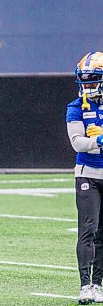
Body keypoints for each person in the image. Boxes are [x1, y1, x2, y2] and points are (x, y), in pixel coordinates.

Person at [66, 51, 103, 304]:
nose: (87, 85)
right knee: (88, 229)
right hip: (87, 173)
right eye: (85, 80)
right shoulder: (77, 106)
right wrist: (98, 140)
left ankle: (98, 284)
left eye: (93, 80)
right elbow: (77, 143)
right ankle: (85, 284)